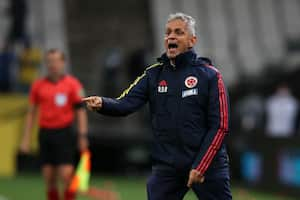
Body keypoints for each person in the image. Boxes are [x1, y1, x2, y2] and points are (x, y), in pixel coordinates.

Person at [83, 13, 231, 200]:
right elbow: (126, 103)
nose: (171, 36)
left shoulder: (210, 76)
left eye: (179, 32)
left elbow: (220, 126)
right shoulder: (154, 74)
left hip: (208, 165)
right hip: (169, 166)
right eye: (168, 32)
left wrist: (201, 166)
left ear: (192, 40)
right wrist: (104, 103)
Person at [20, 49, 88, 200]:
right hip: (45, 134)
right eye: (49, 61)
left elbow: (81, 111)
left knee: (66, 176)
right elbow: (31, 113)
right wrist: (25, 139)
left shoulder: (73, 85)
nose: (53, 64)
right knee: (49, 178)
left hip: (64, 133)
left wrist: (82, 135)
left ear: (63, 63)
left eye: (56, 60)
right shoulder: (38, 85)